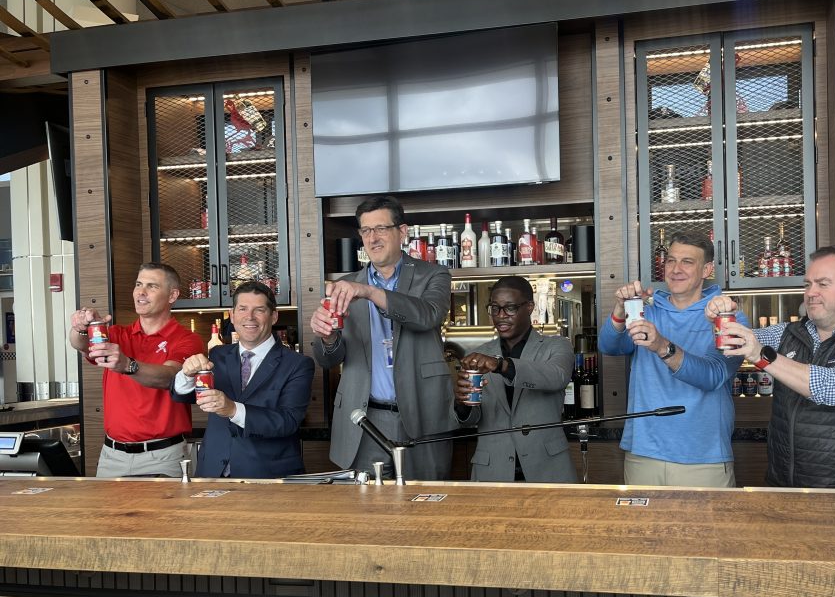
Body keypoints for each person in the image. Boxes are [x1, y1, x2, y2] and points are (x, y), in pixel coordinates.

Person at [706, 245, 835, 489]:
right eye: (808, 284)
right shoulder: (787, 334)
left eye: (823, 283)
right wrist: (722, 316)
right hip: (781, 487)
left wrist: (762, 356)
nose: (811, 292)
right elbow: (734, 342)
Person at [310, 195, 456, 480]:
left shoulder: (433, 274)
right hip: (364, 419)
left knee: (424, 505)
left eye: (381, 229)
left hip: (422, 414)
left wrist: (369, 292)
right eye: (365, 230)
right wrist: (327, 338)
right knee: (365, 513)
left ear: (402, 231)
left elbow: (428, 315)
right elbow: (328, 360)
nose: (372, 238)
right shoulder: (344, 286)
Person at [597, 233, 747, 487]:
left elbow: (713, 376)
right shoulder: (646, 311)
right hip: (644, 452)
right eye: (670, 261)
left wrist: (661, 346)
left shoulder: (728, 317)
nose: (676, 269)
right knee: (641, 528)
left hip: (703, 457)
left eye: (687, 262)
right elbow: (609, 346)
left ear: (707, 269)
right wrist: (621, 309)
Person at [68, 263, 204, 477]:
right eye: (138, 284)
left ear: (172, 295)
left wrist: (127, 365)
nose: (141, 292)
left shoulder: (187, 339)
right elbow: (80, 344)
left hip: (163, 457)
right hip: (111, 456)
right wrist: (81, 328)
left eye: (152, 286)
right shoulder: (117, 334)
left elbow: (170, 377)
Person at [171, 281, 314, 478]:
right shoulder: (218, 355)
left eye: (259, 310)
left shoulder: (297, 364)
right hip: (211, 473)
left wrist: (232, 409)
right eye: (243, 309)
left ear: (274, 316)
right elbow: (182, 396)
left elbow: (287, 421)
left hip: (268, 477)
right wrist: (186, 374)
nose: (250, 317)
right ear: (232, 314)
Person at [453, 276, 576, 483]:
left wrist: (501, 365)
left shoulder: (556, 346)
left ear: (529, 307)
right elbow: (472, 418)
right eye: (495, 308)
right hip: (493, 472)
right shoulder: (479, 354)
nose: (501, 316)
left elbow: (557, 376)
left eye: (510, 308)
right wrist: (461, 403)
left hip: (547, 470)